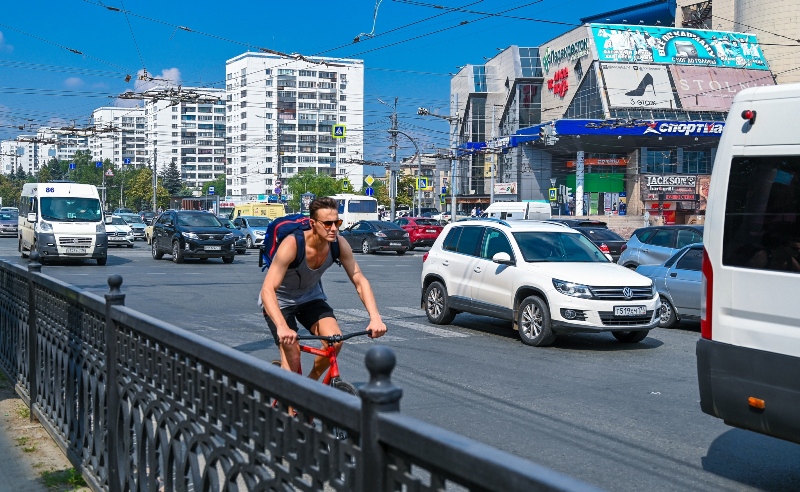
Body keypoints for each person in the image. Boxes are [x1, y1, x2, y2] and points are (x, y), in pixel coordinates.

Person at [260, 197, 387, 379]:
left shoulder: (338, 244)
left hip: (311, 298)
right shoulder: (292, 244)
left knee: (335, 341)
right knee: (293, 354)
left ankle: (311, 385)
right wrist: (282, 327)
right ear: (313, 223)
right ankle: (289, 407)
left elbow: (359, 280)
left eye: (337, 222)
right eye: (328, 224)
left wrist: (375, 318)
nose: (334, 228)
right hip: (280, 302)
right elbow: (267, 289)